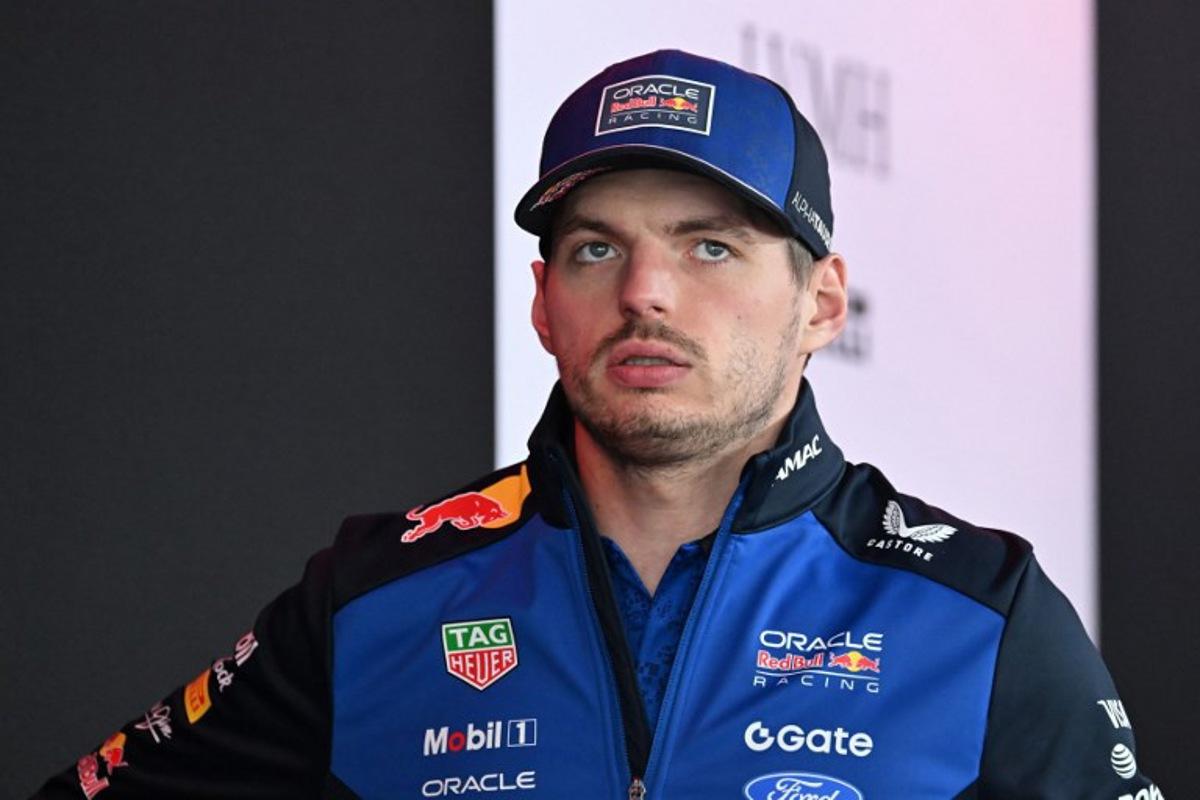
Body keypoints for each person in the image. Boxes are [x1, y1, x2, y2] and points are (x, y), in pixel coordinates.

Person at [33, 49, 1161, 800]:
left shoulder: (976, 612)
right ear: (541, 304)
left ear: (821, 302)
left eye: (708, 245)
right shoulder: (371, 600)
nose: (645, 292)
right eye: (595, 248)